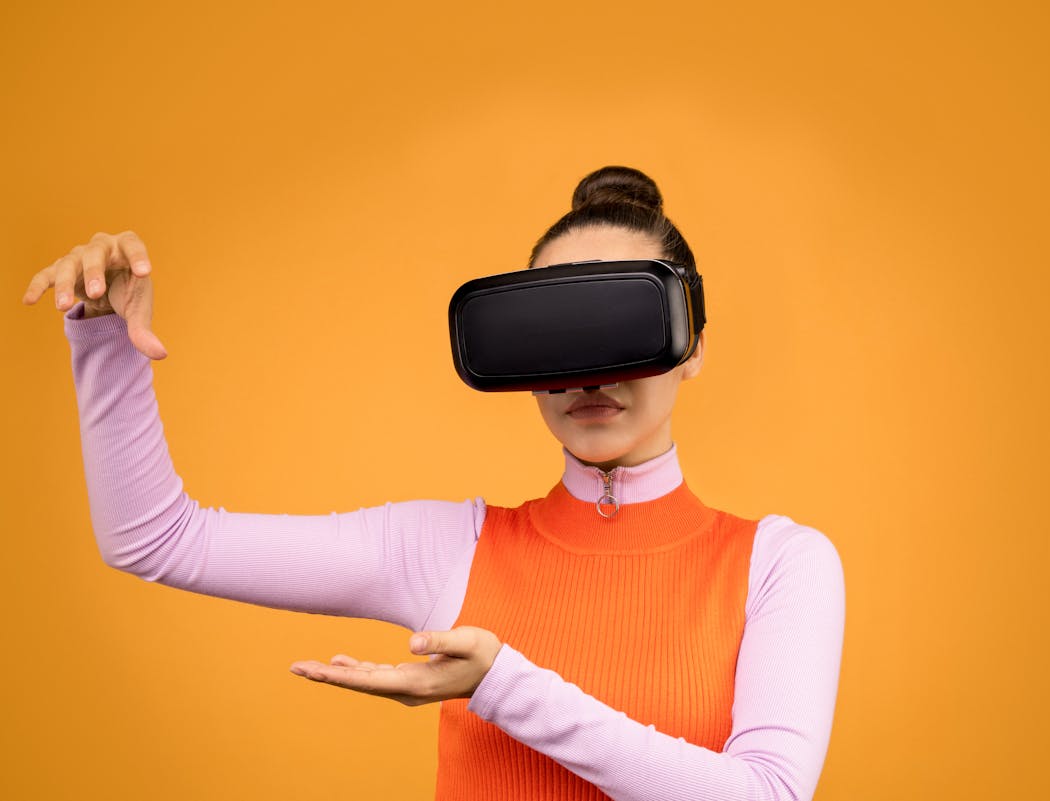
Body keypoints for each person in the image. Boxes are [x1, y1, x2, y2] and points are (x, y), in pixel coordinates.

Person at [24, 165, 846, 801]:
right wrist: (102, 340)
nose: (592, 373)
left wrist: (503, 685)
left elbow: (765, 793)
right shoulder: (449, 549)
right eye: (557, 329)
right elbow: (156, 538)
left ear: (691, 343)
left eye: (624, 323)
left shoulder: (781, 563)